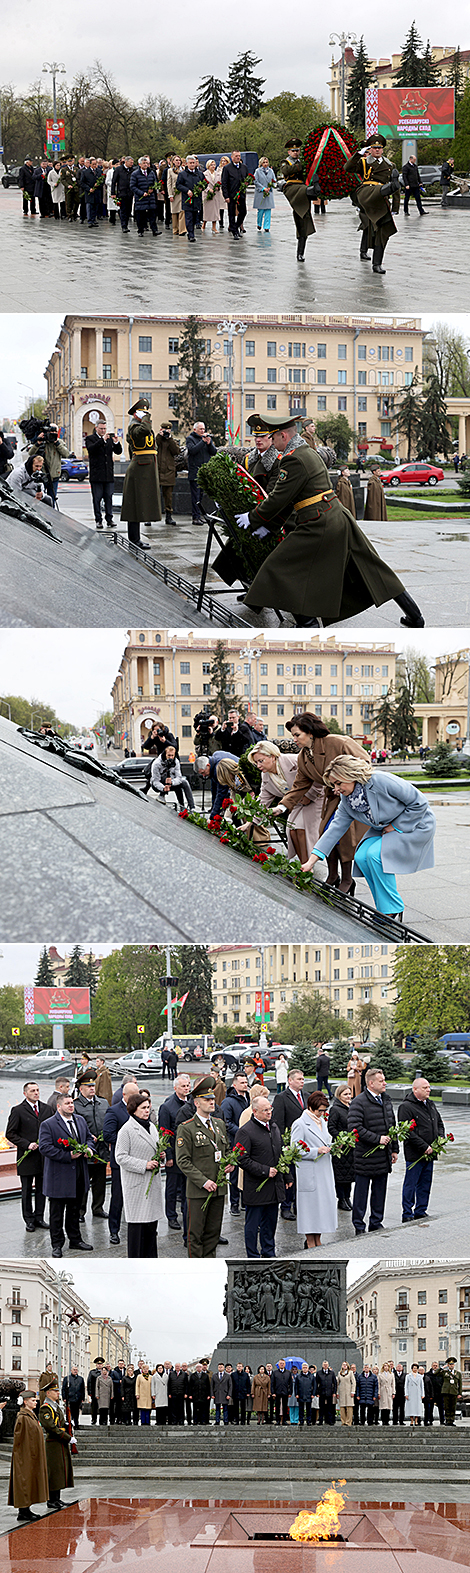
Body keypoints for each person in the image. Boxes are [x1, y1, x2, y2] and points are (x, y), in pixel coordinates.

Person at [241, 413, 424, 627]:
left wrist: (253, 518)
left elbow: (279, 498)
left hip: (319, 522)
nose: (271, 442)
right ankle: (415, 616)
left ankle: (308, 624)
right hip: (338, 516)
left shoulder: (293, 459)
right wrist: (269, 525)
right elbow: (293, 500)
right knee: (373, 568)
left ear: (283, 436)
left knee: (277, 569)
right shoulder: (307, 452)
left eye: (273, 437)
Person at [302, 755, 436, 919]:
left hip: (414, 823)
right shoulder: (347, 800)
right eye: (333, 784)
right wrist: (311, 862)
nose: (335, 789)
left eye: (338, 783)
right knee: (360, 857)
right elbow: (334, 830)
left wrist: (395, 826)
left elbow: (419, 803)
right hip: (383, 828)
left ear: (350, 775)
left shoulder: (380, 780)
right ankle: (384, 907)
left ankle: (392, 909)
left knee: (374, 855)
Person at [273, 713, 370, 894]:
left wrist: (345, 782)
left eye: (297, 735)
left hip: (351, 796)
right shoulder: (303, 756)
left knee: (345, 839)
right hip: (332, 798)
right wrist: (282, 807)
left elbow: (364, 762)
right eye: (293, 735)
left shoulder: (338, 742)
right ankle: (333, 875)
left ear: (310, 732)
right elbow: (300, 785)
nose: (294, 739)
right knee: (326, 833)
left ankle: (348, 880)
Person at [175, 1074, 233, 1256]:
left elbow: (227, 1150)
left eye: (212, 1099)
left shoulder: (219, 1124)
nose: (211, 1102)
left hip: (219, 1187)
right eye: (206, 1099)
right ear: (196, 1103)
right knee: (196, 1234)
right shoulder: (187, 1127)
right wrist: (203, 1181)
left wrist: (230, 1162)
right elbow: (183, 1160)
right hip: (199, 1190)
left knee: (213, 1233)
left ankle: (210, 1266)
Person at [242, 738, 324, 865]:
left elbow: (317, 776)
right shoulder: (266, 775)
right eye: (256, 763)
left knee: (300, 829)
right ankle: (303, 865)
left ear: (273, 756)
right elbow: (263, 799)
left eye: (261, 761)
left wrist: (311, 796)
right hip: (295, 804)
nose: (258, 766)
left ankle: (307, 865)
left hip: (316, 799)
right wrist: (251, 822)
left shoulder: (294, 761)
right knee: (291, 831)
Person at [38, 1092, 94, 1257]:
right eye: (68, 1103)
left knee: (75, 1211)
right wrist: (68, 1156)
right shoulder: (48, 1124)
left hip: (78, 1174)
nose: (71, 1105)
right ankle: (57, 1244)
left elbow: (89, 1138)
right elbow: (45, 1147)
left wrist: (89, 1149)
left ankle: (75, 1240)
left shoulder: (80, 1120)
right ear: (59, 1106)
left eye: (72, 1103)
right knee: (56, 1214)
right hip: (59, 1177)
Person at [347, 1067, 399, 1233]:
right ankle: (359, 1226)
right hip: (365, 1158)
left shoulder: (386, 1100)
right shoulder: (359, 1102)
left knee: (379, 1193)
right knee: (361, 1195)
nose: (385, 1083)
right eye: (381, 1081)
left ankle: (376, 1222)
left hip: (383, 1157)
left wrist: (394, 1149)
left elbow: (392, 1125)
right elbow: (354, 1128)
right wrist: (377, 1139)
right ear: (370, 1083)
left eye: (384, 1080)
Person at [114, 1091, 163, 1257]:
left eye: (148, 1107)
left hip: (151, 1182)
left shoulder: (152, 1127)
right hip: (136, 1183)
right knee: (138, 1227)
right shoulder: (126, 1130)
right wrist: (144, 1164)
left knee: (151, 1227)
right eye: (143, 1108)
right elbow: (120, 1157)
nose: (147, 1111)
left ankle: (151, 1258)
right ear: (133, 1109)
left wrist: (161, 1155)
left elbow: (154, 1147)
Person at [236, 1090, 284, 1258]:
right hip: (256, 1187)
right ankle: (253, 1254)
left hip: (273, 1186)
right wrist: (264, 1171)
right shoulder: (246, 1131)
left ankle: (268, 1251)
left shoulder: (274, 1127)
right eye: (265, 1110)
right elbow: (242, 1159)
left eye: (270, 1109)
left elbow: (280, 1153)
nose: (269, 1112)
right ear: (254, 1111)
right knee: (253, 1224)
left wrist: (287, 1177)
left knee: (270, 1223)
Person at [345, 134, 400, 273]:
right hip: (367, 194)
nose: (377, 150)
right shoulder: (364, 162)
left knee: (382, 232)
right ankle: (363, 250)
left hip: (381, 200)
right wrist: (358, 154)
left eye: (379, 148)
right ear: (370, 149)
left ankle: (377, 264)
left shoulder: (390, 165)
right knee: (367, 226)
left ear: (383, 150)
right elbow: (348, 167)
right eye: (374, 148)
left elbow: (396, 189)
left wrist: (395, 207)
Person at [291, 1090, 337, 1248]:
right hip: (309, 1171)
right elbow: (295, 1150)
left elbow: (326, 1140)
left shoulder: (322, 1121)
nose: (323, 1113)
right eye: (320, 1110)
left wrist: (335, 1146)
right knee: (310, 1209)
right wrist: (315, 1151)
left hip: (323, 1170)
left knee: (322, 1207)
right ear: (310, 1107)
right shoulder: (300, 1124)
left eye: (325, 1110)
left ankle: (318, 1238)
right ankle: (310, 1241)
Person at [398, 1077, 446, 1223]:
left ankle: (421, 1210)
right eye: (425, 1088)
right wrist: (424, 1146)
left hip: (431, 1152)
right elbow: (406, 1131)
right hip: (416, 1154)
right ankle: (407, 1213)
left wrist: (440, 1139)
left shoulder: (430, 1104)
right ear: (415, 1090)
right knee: (411, 1184)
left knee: (425, 1183)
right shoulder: (406, 1107)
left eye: (429, 1087)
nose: (428, 1090)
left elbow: (439, 1123)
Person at [6, 1081, 50, 1233]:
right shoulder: (18, 1110)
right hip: (27, 1158)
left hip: (43, 1158)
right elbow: (10, 1133)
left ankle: (39, 1217)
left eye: (37, 1090)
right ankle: (29, 1220)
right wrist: (26, 1144)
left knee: (41, 1189)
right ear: (25, 1093)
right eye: (32, 1091)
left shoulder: (46, 1109)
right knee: (26, 1190)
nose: (36, 1093)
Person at [120, 397, 162, 549]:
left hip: (147, 467)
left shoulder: (144, 426)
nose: (145, 415)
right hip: (139, 468)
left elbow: (153, 445)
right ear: (136, 415)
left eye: (146, 412)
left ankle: (136, 538)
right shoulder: (134, 427)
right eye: (142, 412)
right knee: (135, 505)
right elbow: (143, 431)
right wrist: (146, 417)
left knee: (141, 504)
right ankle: (134, 539)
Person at [102, 1076, 137, 1244]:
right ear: (125, 1095)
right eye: (134, 1094)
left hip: (138, 1162)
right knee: (118, 1198)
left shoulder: (140, 1109)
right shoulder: (114, 1111)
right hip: (120, 1162)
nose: (138, 1097)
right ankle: (114, 1231)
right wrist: (128, 1139)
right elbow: (107, 1134)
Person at [158, 1071, 192, 1235]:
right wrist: (168, 1156)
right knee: (172, 1187)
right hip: (174, 1154)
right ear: (175, 1087)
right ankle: (171, 1215)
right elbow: (164, 1132)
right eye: (183, 1086)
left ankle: (186, 1212)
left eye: (188, 1086)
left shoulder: (192, 1102)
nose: (187, 1089)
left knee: (187, 1187)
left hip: (189, 1154)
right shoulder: (167, 1106)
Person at [73, 1068, 110, 1220]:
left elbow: (107, 1122)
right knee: (82, 1184)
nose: (92, 1088)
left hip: (101, 1150)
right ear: (81, 1089)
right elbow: (73, 1127)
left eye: (93, 1086)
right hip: (85, 1150)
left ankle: (98, 1208)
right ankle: (80, 1211)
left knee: (100, 1182)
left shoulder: (103, 1102)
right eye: (88, 1086)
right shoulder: (75, 1105)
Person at [8, 1389, 49, 1524]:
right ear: (25, 1402)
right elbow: (19, 1440)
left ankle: (26, 1510)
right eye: (33, 1400)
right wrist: (23, 1457)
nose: (36, 1402)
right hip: (25, 1457)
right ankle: (23, 1511)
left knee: (29, 1481)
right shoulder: (23, 1417)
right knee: (24, 1482)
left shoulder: (30, 1415)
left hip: (31, 1455)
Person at [272, 1067, 306, 1220]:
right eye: (299, 1079)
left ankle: (299, 1205)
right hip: (288, 1144)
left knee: (301, 1177)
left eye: (303, 1079)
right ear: (290, 1081)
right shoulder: (281, 1097)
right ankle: (286, 1207)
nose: (302, 1081)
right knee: (289, 1176)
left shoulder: (306, 1096)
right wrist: (282, 1144)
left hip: (304, 1144)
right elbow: (278, 1122)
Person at [39, 1378, 74, 1509]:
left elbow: (60, 1422)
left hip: (59, 1442)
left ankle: (57, 1499)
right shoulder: (45, 1408)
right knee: (54, 1472)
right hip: (53, 1442)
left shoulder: (56, 1406)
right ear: (48, 1393)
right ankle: (51, 1500)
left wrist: (68, 1425)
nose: (58, 1393)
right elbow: (51, 1427)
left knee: (59, 1472)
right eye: (55, 1391)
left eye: (58, 1391)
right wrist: (67, 1437)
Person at [279, 139, 316, 261]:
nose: (296, 153)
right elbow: (286, 171)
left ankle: (300, 252)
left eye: (297, 150)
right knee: (307, 191)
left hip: (302, 189)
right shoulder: (286, 162)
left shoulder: (302, 162)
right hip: (292, 189)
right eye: (293, 151)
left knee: (303, 223)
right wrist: (301, 165)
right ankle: (312, 191)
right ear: (289, 152)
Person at [220, 1072, 250, 1214]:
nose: (245, 1084)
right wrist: (243, 1132)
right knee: (234, 1174)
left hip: (249, 1143)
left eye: (246, 1082)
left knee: (246, 1172)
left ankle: (245, 1200)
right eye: (242, 1083)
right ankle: (234, 1203)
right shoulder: (228, 1102)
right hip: (235, 1143)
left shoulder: (249, 1098)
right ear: (235, 1085)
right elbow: (226, 1123)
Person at [85, 420, 122, 531]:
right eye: (101, 428)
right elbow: (91, 449)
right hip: (97, 475)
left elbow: (118, 451)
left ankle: (109, 519)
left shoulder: (109, 439)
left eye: (104, 429)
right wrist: (102, 440)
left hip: (108, 474)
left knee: (109, 497)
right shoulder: (90, 439)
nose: (103, 430)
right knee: (97, 498)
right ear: (96, 428)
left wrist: (116, 442)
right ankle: (98, 520)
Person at [328, 1084, 354, 1211]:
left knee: (349, 1173)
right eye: (345, 1094)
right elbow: (331, 1127)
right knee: (341, 1174)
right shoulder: (335, 1109)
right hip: (341, 1146)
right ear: (339, 1096)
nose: (348, 1096)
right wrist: (341, 1139)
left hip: (351, 1146)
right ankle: (341, 1199)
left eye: (349, 1094)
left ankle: (348, 1197)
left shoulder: (352, 1107)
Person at [186, 422, 217, 525]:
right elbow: (192, 451)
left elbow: (213, 452)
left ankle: (199, 515)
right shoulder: (190, 439)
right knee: (195, 496)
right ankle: (195, 517)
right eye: (200, 429)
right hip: (195, 472)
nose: (203, 431)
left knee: (200, 496)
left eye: (203, 429)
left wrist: (209, 444)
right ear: (195, 430)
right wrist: (203, 442)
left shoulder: (206, 439)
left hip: (204, 472)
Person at [196, 750, 239, 819]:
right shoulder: (215, 755)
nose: (203, 776)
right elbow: (214, 789)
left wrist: (213, 817)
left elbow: (221, 794)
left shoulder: (217, 770)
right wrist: (214, 809)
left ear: (208, 765)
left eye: (203, 772)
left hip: (240, 781)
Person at [175, 154, 204, 242]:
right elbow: (178, 185)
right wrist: (187, 190)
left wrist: (201, 187)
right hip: (187, 200)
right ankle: (191, 234)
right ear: (187, 164)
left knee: (195, 217)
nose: (192, 164)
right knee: (189, 218)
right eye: (190, 163)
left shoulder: (199, 174)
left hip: (197, 199)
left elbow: (204, 183)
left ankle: (192, 231)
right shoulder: (182, 174)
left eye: (193, 163)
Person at [156, 426, 180, 525]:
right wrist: (159, 436)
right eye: (164, 429)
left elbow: (176, 451)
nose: (166, 431)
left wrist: (169, 439)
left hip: (169, 472)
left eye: (168, 430)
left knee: (168, 497)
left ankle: (168, 516)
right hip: (157, 471)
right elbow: (154, 446)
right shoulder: (158, 439)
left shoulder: (172, 441)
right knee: (154, 495)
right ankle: (150, 516)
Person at [130, 156, 160, 237]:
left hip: (151, 198)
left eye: (147, 163)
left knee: (153, 215)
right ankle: (140, 230)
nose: (146, 165)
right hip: (141, 198)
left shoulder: (151, 173)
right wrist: (141, 193)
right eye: (144, 163)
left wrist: (153, 189)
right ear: (140, 164)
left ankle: (155, 230)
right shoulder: (135, 174)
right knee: (141, 215)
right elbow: (133, 186)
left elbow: (155, 183)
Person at [221, 151, 249, 238]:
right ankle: (234, 232)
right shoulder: (227, 168)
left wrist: (246, 183)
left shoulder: (244, 167)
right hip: (231, 194)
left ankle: (235, 227)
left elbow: (247, 178)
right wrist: (226, 196)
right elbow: (224, 183)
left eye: (239, 156)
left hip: (241, 194)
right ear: (232, 157)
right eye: (236, 156)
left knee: (243, 211)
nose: (238, 157)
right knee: (232, 213)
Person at [111, 155, 134, 232]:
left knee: (129, 210)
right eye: (130, 162)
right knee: (123, 209)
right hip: (122, 192)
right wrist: (113, 193)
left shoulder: (132, 170)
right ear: (126, 162)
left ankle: (126, 223)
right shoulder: (119, 169)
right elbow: (114, 182)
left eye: (132, 163)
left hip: (130, 192)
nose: (132, 164)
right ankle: (124, 225)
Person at [253, 157, 276, 231]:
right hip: (260, 193)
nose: (265, 164)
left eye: (266, 162)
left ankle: (267, 227)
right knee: (261, 211)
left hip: (269, 193)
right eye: (264, 162)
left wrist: (270, 187)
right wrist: (263, 188)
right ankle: (259, 223)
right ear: (261, 163)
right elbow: (255, 181)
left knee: (268, 211)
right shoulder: (257, 171)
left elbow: (274, 180)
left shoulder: (271, 171)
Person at [440, 1358, 461, 1424]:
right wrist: (443, 1367)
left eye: (452, 1364)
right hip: (446, 1391)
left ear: (454, 1365)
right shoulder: (444, 1372)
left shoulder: (458, 1373)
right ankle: (447, 1419)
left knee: (453, 1407)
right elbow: (436, 1373)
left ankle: (452, 1420)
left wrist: (460, 1393)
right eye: (450, 1364)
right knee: (447, 1406)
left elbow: (460, 1384)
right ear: (448, 1365)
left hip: (454, 1392)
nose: (451, 1365)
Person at [271, 1360, 293, 1425]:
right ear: (278, 1364)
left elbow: (290, 1384)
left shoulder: (288, 1373)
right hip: (277, 1392)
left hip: (285, 1392)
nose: (282, 1364)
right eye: (280, 1363)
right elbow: (272, 1383)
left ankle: (284, 1421)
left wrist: (290, 1393)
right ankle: (277, 1420)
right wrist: (273, 1393)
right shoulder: (275, 1373)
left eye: (283, 1363)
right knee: (277, 1407)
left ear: (285, 1364)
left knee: (285, 1407)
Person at [87, 1357, 105, 1425]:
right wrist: (90, 1392)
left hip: (103, 1393)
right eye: (98, 1364)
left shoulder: (105, 1372)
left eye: (101, 1364)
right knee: (94, 1407)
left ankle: (102, 1420)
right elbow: (89, 1382)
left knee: (102, 1407)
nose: (99, 1365)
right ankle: (93, 1419)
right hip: (94, 1393)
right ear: (96, 1365)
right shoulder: (92, 1372)